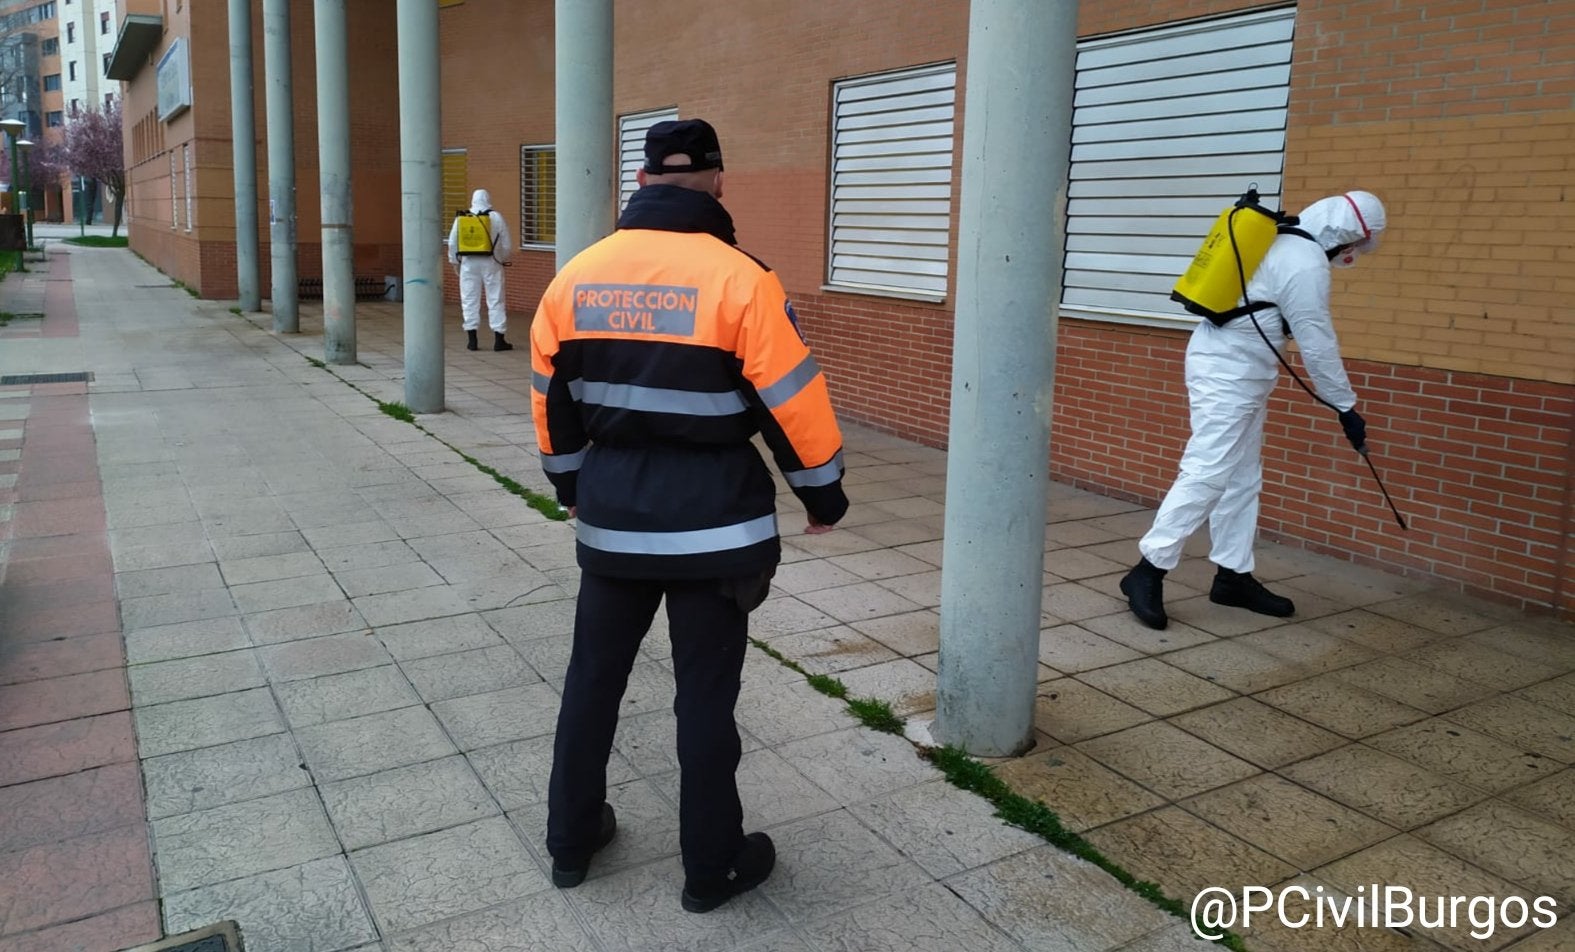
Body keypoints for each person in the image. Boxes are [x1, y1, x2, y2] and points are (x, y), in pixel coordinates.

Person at [529, 118, 850, 912]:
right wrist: (821, 494)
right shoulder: (743, 278)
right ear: (717, 181)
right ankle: (712, 866)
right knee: (704, 698)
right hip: (717, 526)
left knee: (591, 682)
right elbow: (792, 401)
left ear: (640, 182)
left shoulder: (576, 276)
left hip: (612, 522)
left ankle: (571, 842)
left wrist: (570, 487)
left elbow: (550, 401)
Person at [1121, 190, 1386, 630]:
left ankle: (1233, 576)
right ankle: (1148, 569)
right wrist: (1345, 406)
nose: (1350, 256)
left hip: (1239, 367)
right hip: (1228, 372)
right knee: (1208, 470)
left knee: (1243, 476)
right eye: (1354, 246)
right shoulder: (1305, 262)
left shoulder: (1280, 240)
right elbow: (1317, 341)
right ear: (1344, 235)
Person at [446, 188, 514, 351]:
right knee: (495, 299)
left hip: (469, 264)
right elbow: (506, 244)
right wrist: (501, 258)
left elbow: (452, 243)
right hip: (492, 263)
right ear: (488, 199)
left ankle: (472, 339)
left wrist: (455, 262)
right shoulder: (496, 217)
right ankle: (499, 339)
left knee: (469, 299)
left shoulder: (463, 217)